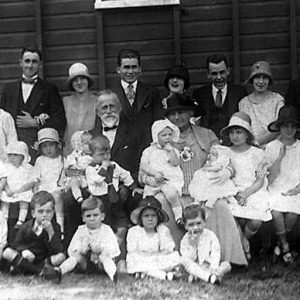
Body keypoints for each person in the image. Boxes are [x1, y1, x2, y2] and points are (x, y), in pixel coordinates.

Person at [164, 93, 248, 266]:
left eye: (182, 112)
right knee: (159, 202)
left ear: (190, 113)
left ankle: (228, 258)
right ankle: (171, 259)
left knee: (220, 205)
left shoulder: (206, 134)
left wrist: (228, 170)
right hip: (176, 194)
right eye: (172, 113)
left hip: (202, 192)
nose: (177, 117)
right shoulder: (162, 136)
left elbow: (226, 157)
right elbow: (150, 160)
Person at [220, 111, 272, 260]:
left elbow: (260, 180)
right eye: (232, 133)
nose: (235, 136)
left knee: (256, 221)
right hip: (231, 191)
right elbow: (224, 177)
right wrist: (235, 193)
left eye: (239, 132)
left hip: (253, 190)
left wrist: (246, 194)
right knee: (228, 213)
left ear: (247, 134)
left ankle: (244, 240)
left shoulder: (257, 153)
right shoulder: (225, 152)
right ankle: (242, 247)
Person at [0, 45, 66, 163]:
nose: (30, 65)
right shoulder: (9, 89)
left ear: (40, 64)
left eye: (34, 62)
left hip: (39, 150)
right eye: (27, 61)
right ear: (21, 63)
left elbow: (60, 121)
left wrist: (35, 123)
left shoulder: (49, 89)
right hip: (13, 152)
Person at [43, 196, 120, 283]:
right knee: (76, 257)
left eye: (95, 215)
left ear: (102, 216)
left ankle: (113, 274)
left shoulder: (106, 230)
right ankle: (59, 271)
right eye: (88, 216)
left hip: (101, 264)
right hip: (85, 264)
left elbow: (114, 249)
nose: (92, 218)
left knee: (104, 257)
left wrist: (102, 250)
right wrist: (81, 249)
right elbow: (71, 250)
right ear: (83, 218)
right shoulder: (81, 230)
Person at [110, 49, 164, 153]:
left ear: (139, 68)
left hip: (147, 150)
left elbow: (159, 122)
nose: (130, 72)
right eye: (126, 67)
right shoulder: (110, 93)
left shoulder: (151, 91)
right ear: (118, 69)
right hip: (119, 152)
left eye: (134, 67)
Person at [265, 105, 300, 262]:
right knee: (277, 212)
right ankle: (285, 246)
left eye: (293, 126)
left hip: (295, 188)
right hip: (275, 188)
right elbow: (269, 178)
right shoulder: (272, 147)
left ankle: (279, 244)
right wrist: (280, 157)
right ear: (280, 127)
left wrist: (297, 189)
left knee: (292, 214)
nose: (290, 130)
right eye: (286, 126)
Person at [2, 191, 65, 276]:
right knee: (7, 252)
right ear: (33, 213)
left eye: (48, 211)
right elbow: (16, 244)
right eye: (40, 211)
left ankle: (31, 270)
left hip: (43, 259)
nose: (44, 215)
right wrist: (24, 250)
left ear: (53, 212)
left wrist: (50, 232)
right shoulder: (25, 227)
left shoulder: (55, 227)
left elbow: (58, 249)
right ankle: (38, 271)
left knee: (61, 256)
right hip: (28, 258)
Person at [139, 119, 184, 225]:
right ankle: (145, 219)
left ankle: (178, 217)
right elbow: (143, 166)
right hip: (153, 181)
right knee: (147, 200)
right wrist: (155, 173)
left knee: (172, 195)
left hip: (167, 181)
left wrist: (170, 151)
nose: (168, 137)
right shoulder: (149, 151)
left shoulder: (173, 150)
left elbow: (175, 163)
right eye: (164, 135)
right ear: (156, 136)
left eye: (169, 134)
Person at [192, 53, 247, 139]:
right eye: (214, 74)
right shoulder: (199, 94)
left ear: (228, 71)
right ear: (208, 74)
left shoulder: (239, 92)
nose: (219, 77)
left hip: (233, 143)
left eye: (222, 72)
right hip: (208, 143)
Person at [126, 196, 181, 280]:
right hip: (142, 259)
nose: (150, 219)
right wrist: (149, 257)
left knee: (175, 256)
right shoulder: (133, 231)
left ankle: (146, 273)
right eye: (146, 216)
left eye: (153, 216)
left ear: (158, 217)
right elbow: (133, 250)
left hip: (158, 259)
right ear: (140, 217)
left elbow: (167, 249)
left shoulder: (163, 229)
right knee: (132, 258)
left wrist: (155, 257)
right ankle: (163, 275)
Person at [180, 204, 231, 284]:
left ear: (204, 222)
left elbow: (215, 253)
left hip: (210, 265)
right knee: (183, 260)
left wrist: (213, 267)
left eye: (198, 223)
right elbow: (189, 259)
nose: (195, 227)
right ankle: (208, 277)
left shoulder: (210, 235)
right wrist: (193, 245)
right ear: (185, 226)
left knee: (226, 265)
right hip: (196, 267)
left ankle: (214, 274)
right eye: (191, 225)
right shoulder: (185, 240)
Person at [239, 61, 284, 146]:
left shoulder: (278, 100)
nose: (261, 81)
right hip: (251, 149)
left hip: (275, 147)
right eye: (257, 78)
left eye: (265, 78)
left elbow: (280, 128)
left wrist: (265, 146)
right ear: (252, 80)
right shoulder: (243, 103)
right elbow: (243, 130)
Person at [33, 128, 65, 234]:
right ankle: (41, 229)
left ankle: (60, 227)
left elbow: (66, 177)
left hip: (57, 189)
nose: (48, 149)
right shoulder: (40, 160)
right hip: (43, 188)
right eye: (44, 146)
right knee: (41, 201)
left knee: (57, 197)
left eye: (51, 145)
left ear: (57, 145)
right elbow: (36, 179)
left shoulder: (63, 160)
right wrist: (35, 193)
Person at [189, 144, 239, 208]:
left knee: (219, 191)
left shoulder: (218, 164)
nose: (210, 156)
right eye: (209, 153)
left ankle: (213, 200)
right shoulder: (208, 162)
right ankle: (197, 201)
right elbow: (204, 167)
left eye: (213, 155)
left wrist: (208, 169)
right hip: (208, 180)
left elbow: (216, 168)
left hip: (216, 180)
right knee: (200, 186)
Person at [63, 63, 97, 155]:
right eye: (75, 80)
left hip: (92, 151)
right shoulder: (65, 102)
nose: (79, 83)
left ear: (88, 80)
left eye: (82, 78)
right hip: (69, 152)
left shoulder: (97, 101)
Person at [0, 141, 36, 229]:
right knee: (5, 201)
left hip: (22, 190)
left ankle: (21, 219)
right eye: (10, 155)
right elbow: (4, 180)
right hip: (10, 191)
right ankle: (4, 217)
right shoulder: (7, 167)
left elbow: (32, 182)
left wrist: (20, 191)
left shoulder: (28, 168)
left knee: (24, 200)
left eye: (15, 155)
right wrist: (7, 190)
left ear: (23, 156)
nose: (12, 158)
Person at [63, 130, 93, 203]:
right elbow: (67, 168)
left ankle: (92, 194)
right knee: (74, 182)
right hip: (78, 177)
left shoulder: (93, 156)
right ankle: (78, 196)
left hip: (90, 177)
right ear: (79, 145)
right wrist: (71, 167)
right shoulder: (73, 156)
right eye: (86, 143)